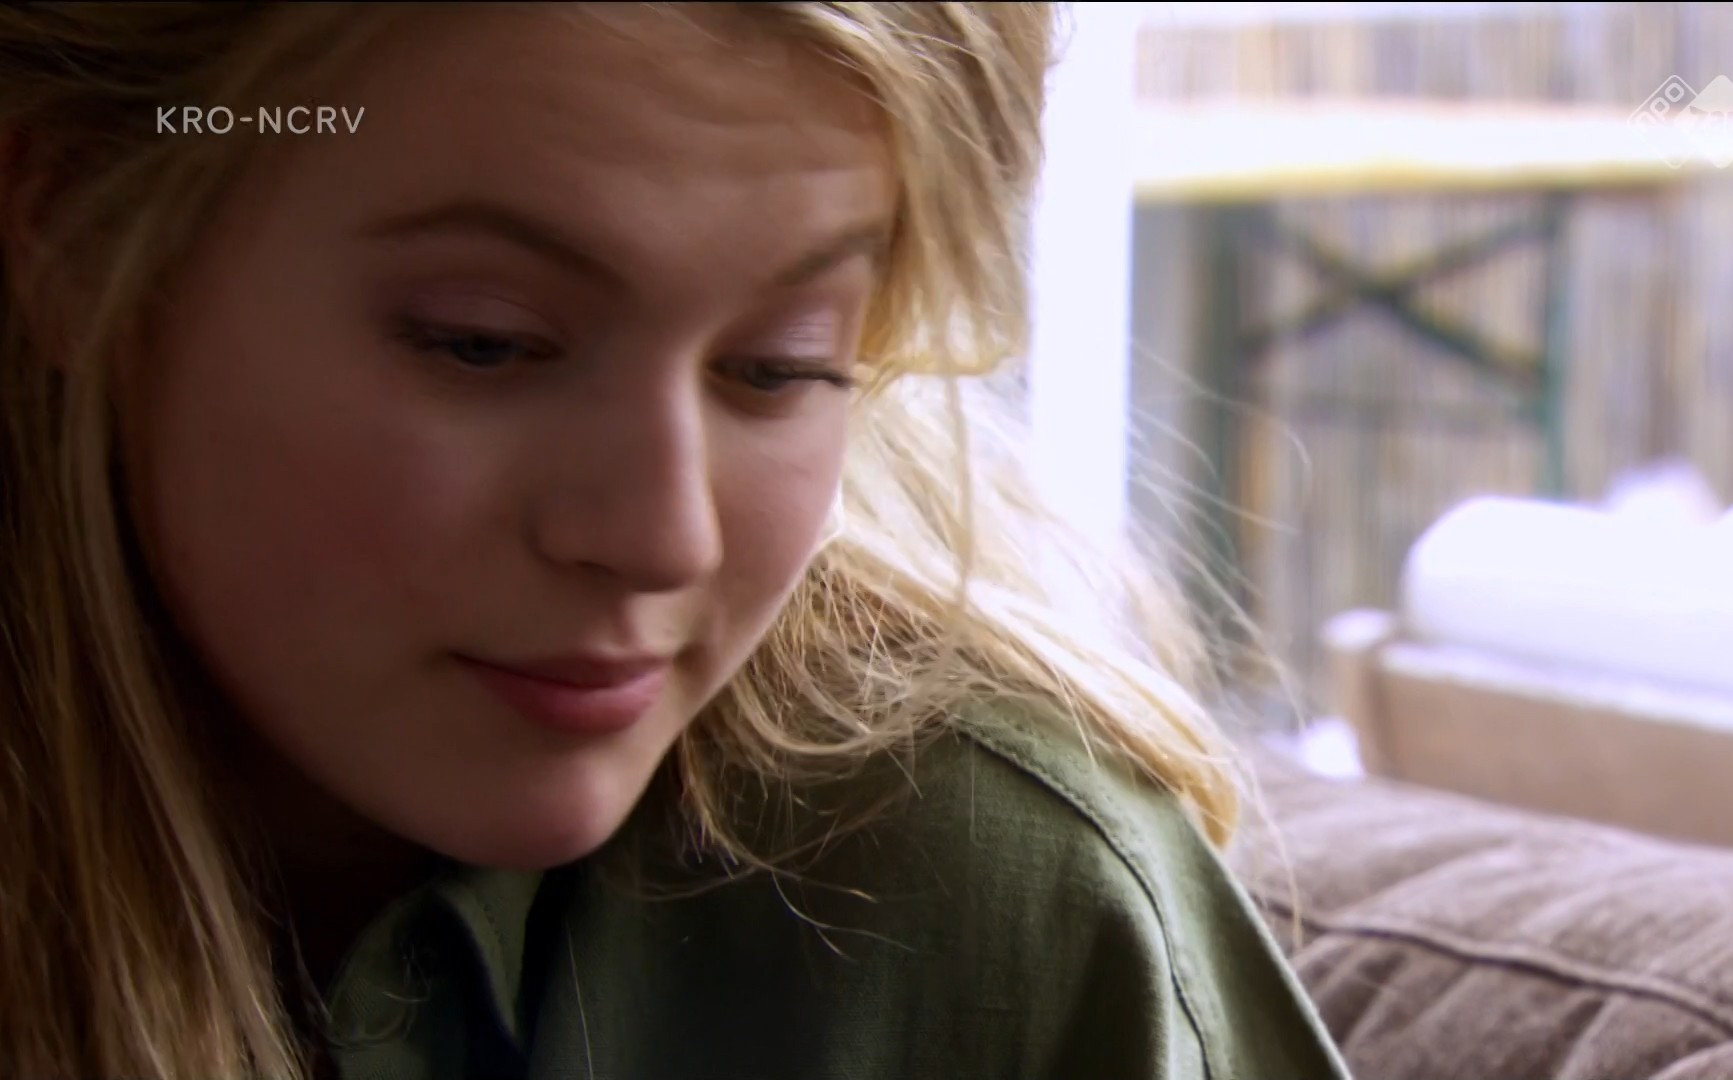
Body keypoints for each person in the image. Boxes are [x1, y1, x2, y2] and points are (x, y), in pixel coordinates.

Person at [0, 4, 1350, 1078]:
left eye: (781, 365)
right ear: (73, 233)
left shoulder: (996, 905)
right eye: (485, 342)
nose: (662, 537)